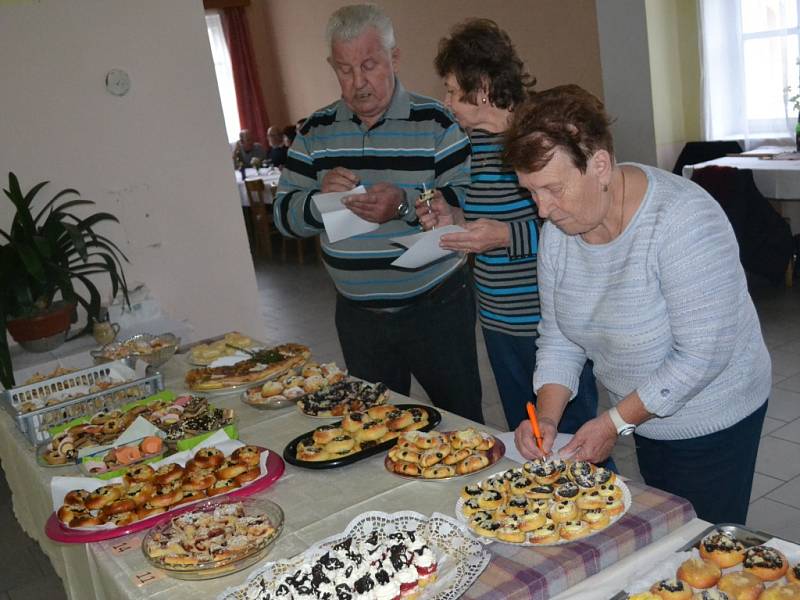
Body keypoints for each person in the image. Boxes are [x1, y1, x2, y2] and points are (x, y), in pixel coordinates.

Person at [509, 84, 771, 524]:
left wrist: (613, 423)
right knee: (666, 527)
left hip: (715, 417)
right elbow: (559, 339)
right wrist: (548, 420)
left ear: (599, 165)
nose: (541, 209)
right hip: (644, 415)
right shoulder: (559, 235)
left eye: (552, 189)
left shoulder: (683, 220)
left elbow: (700, 357)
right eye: (531, 192)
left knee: (701, 543)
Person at [273, 4, 483, 423]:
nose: (358, 82)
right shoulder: (315, 132)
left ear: (395, 58)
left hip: (437, 306)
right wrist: (318, 201)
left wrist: (405, 204)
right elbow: (282, 215)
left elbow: (466, 201)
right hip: (359, 316)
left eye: (369, 66)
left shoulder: (436, 122)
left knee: (463, 421)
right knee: (374, 427)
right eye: (345, 70)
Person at [417, 18, 599, 434]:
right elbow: (487, 215)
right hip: (498, 319)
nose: (445, 101)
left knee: (572, 439)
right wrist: (454, 220)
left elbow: (575, 227)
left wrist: (502, 236)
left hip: (549, 324)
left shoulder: (541, 136)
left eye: (450, 89)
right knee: (528, 435)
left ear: (481, 87)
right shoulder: (475, 143)